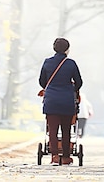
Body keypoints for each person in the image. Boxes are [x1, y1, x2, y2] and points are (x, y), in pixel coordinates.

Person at [39, 37, 83, 165]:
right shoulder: (71, 64)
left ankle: (54, 156)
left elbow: (42, 81)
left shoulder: (47, 62)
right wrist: (71, 88)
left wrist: (51, 87)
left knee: (52, 129)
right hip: (66, 100)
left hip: (51, 100)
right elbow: (79, 82)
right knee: (66, 129)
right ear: (67, 50)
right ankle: (65, 157)